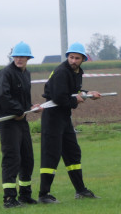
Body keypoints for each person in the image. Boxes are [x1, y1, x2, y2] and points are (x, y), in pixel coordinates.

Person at [37, 43, 101, 203]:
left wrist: (88, 94)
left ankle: (81, 190)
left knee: (73, 152)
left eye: (77, 58)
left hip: (64, 118)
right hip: (52, 117)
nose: (73, 60)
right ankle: (44, 195)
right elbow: (59, 97)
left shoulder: (77, 72)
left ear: (83, 59)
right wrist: (76, 100)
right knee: (51, 155)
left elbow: (74, 91)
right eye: (71, 57)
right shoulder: (61, 72)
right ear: (67, 57)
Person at [0, 42, 39, 208]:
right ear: (13, 57)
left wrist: (29, 108)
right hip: (8, 121)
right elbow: (1, 95)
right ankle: (9, 198)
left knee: (27, 158)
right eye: (17, 56)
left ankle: (25, 195)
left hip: (21, 120)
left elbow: (23, 97)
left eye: (22, 57)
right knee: (12, 158)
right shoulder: (6, 73)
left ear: (28, 58)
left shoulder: (26, 74)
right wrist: (17, 110)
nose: (19, 59)